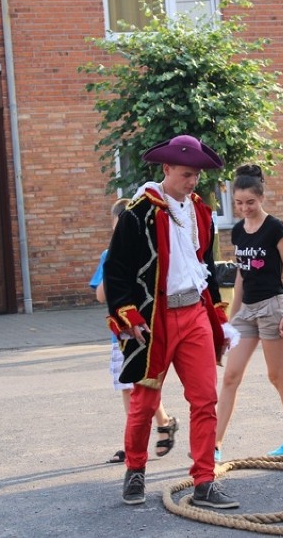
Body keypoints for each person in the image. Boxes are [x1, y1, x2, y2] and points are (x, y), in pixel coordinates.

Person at [103, 134, 238, 509]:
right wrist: (127, 314)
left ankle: (204, 482)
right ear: (166, 169)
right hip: (156, 319)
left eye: (195, 175)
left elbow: (206, 269)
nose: (192, 181)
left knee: (205, 400)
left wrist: (217, 318)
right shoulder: (139, 212)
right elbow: (116, 270)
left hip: (194, 312)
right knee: (145, 402)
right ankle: (134, 471)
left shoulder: (201, 212)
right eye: (185, 174)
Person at [215, 164, 283, 459]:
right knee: (230, 376)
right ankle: (214, 444)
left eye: (250, 202)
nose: (244, 208)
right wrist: (232, 318)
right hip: (247, 311)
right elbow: (242, 274)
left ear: (262, 197)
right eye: (238, 203)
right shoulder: (239, 230)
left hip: (272, 307)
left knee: (277, 376)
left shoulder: (275, 228)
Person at [90, 198, 178, 465]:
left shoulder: (147, 251)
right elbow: (100, 296)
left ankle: (145, 437)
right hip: (121, 335)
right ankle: (157, 427)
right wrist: (110, 264)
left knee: (141, 385)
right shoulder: (108, 255)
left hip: (146, 328)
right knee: (129, 389)